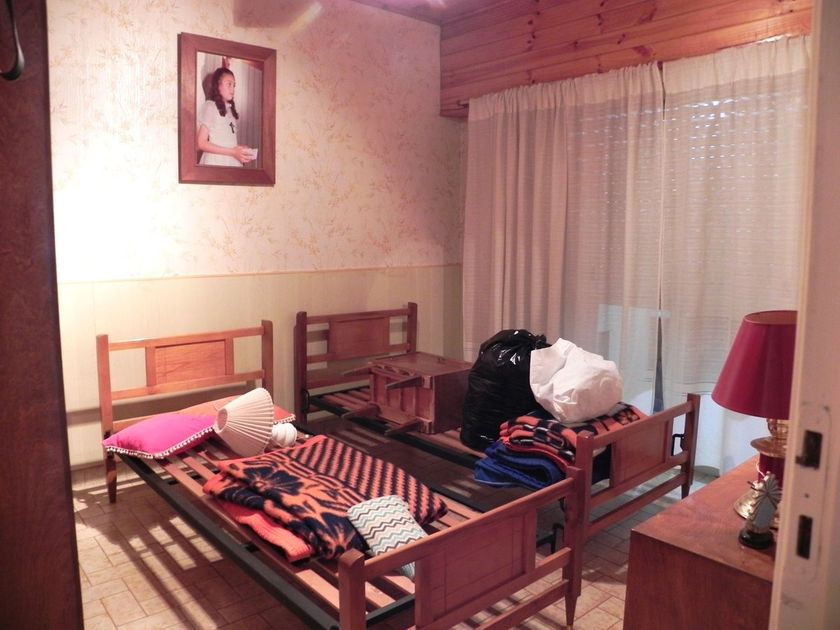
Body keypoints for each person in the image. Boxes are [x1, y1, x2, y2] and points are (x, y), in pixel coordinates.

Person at [196, 66, 255, 167]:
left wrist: (240, 149)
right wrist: (233, 152)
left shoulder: (230, 110)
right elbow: (201, 143)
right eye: (229, 84)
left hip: (231, 162)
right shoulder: (211, 107)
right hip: (216, 162)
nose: (232, 89)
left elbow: (226, 141)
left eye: (234, 85)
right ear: (218, 85)